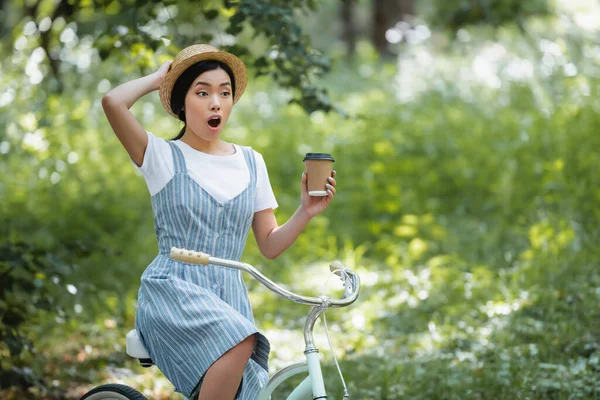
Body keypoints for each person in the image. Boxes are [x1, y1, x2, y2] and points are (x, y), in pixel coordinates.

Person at [101, 44, 337, 400]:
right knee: (240, 338)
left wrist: (305, 211)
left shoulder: (251, 161)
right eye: (202, 92)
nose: (216, 102)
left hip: (229, 299)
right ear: (182, 104)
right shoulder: (162, 156)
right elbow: (112, 103)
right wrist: (158, 79)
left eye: (224, 93)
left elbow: (270, 244)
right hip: (173, 291)